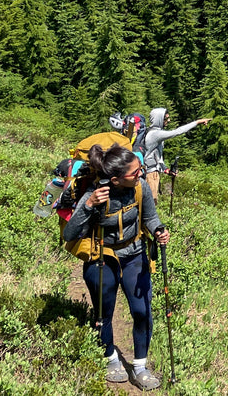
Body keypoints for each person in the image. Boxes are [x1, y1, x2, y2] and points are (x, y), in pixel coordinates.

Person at [62, 143, 169, 390]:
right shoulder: (95, 193)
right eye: (135, 172)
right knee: (104, 313)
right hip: (102, 256)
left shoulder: (140, 187)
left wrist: (159, 231)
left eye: (140, 169)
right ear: (116, 180)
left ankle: (140, 366)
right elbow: (70, 234)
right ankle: (110, 358)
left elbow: (150, 217)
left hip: (134, 254)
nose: (140, 174)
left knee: (142, 311)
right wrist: (88, 205)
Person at [143, 108, 211, 199]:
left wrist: (165, 170)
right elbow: (177, 132)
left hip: (152, 173)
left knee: (151, 205)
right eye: (166, 119)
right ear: (158, 119)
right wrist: (197, 122)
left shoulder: (153, 132)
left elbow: (156, 156)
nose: (169, 120)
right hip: (151, 175)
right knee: (150, 205)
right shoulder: (155, 134)